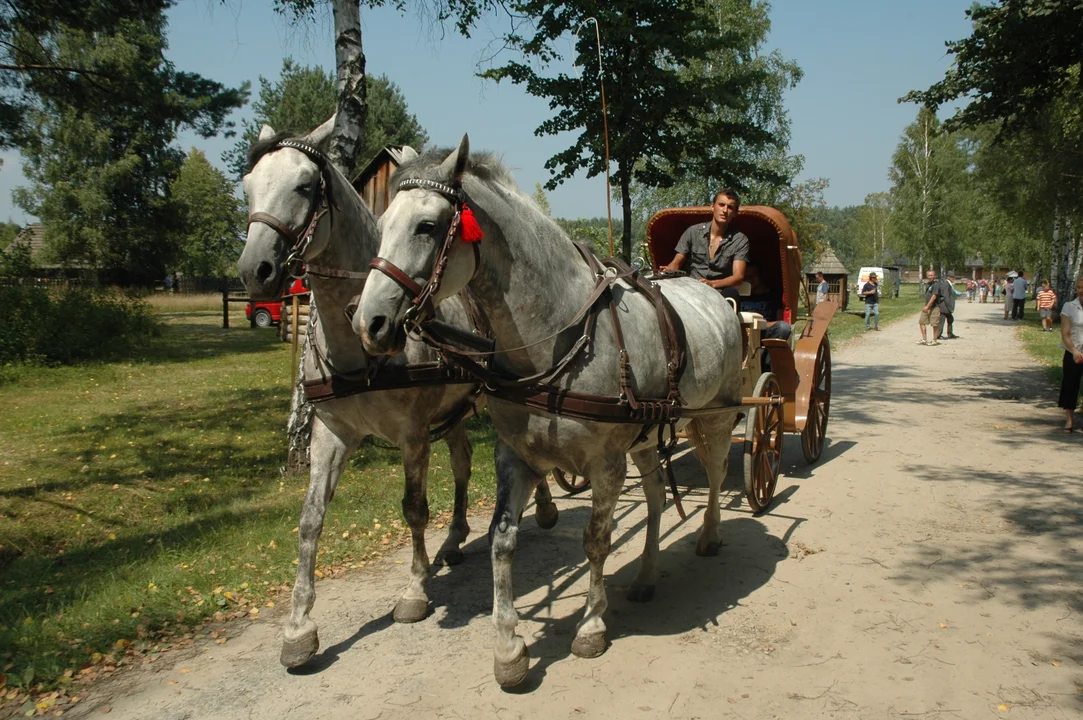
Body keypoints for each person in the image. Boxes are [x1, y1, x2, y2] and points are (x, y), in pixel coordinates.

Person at [662, 188, 748, 303]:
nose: (725, 210)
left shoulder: (740, 240)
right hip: (691, 289)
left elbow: (738, 277)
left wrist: (712, 284)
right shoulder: (693, 232)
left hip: (720, 292)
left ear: (735, 213)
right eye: (721, 205)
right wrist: (669, 270)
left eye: (730, 207)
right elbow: (677, 261)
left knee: (732, 294)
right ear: (712, 206)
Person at [1058, 277, 1083, 433]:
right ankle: (1069, 420)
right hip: (1073, 352)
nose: (1081, 290)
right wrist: (1074, 351)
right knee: (1070, 385)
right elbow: (1065, 333)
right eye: (1079, 287)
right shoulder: (1069, 307)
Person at [918, 269, 942, 346]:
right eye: (929, 275)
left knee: (934, 324)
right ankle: (924, 339)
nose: (930, 277)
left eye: (932, 275)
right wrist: (926, 306)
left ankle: (934, 340)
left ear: (934, 276)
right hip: (926, 307)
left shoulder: (936, 284)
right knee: (922, 322)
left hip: (934, 307)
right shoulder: (928, 284)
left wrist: (928, 306)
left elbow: (934, 296)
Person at [938, 271, 961, 339]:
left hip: (946, 305)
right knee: (942, 320)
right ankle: (938, 334)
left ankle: (950, 333)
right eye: (952, 277)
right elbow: (946, 296)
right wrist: (949, 306)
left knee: (950, 319)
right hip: (944, 305)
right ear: (949, 277)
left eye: (954, 277)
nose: (954, 278)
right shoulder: (946, 284)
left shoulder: (949, 284)